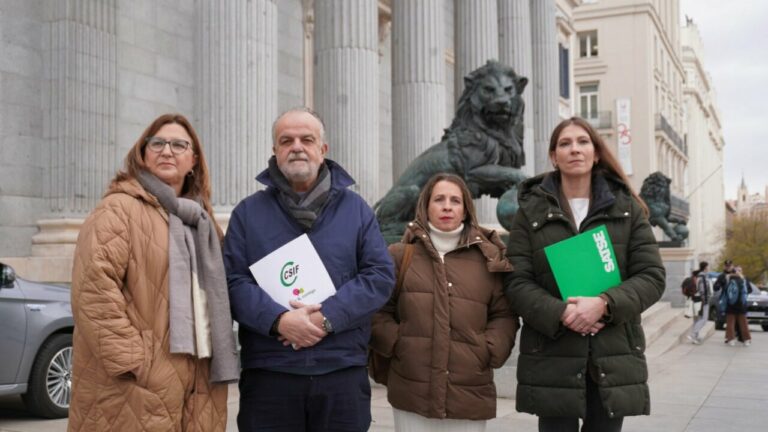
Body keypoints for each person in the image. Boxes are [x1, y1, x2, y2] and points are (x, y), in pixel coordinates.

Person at [223, 107, 395, 432]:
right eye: (286, 140)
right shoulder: (248, 213)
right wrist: (279, 321)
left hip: (340, 371)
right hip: (270, 372)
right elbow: (232, 281)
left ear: (323, 150)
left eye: (307, 139)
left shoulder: (356, 210)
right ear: (275, 151)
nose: (297, 147)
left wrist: (325, 318)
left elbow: (378, 276)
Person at [69, 114, 239, 431]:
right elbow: (92, 289)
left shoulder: (204, 223)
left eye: (178, 144)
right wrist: (136, 360)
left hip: (200, 381)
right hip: (133, 385)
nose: (166, 151)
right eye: (157, 143)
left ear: (193, 160)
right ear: (143, 154)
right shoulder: (119, 209)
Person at [504, 117, 666, 432]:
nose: (574, 149)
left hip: (611, 353)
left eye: (582, 142)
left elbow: (651, 275)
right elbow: (516, 280)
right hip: (552, 355)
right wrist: (561, 312)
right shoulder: (530, 212)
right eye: (565, 143)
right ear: (553, 156)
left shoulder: (627, 208)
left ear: (595, 152)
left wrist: (604, 304)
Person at [370, 173, 518, 432]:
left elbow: (504, 315)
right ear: (426, 207)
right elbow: (378, 311)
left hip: (469, 390)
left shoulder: (489, 258)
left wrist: (489, 349)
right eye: (439, 199)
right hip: (412, 389)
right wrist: (398, 343)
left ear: (465, 210)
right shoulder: (399, 255)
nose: (447, 206)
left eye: (455, 200)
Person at [721, 266, 752, 346]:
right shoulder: (743, 280)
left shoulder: (728, 280)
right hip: (741, 305)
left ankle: (731, 339)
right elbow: (747, 291)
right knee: (743, 323)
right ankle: (747, 340)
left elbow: (725, 293)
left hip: (730, 305)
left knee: (730, 323)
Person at [688, 261, 712, 344]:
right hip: (703, 301)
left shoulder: (699, 275)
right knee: (704, 319)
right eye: (708, 267)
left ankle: (695, 337)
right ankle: (693, 334)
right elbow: (703, 290)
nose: (708, 268)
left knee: (698, 319)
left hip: (698, 300)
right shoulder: (703, 276)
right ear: (705, 267)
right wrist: (705, 301)